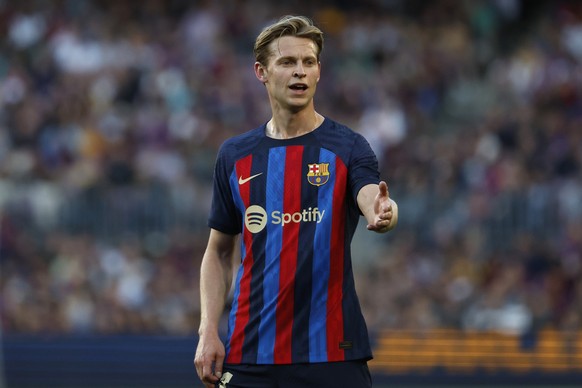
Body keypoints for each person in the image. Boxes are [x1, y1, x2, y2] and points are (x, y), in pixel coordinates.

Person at [194, 15, 398, 388]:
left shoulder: (348, 146)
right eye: (287, 62)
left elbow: (370, 194)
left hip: (333, 353)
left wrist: (383, 210)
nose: (299, 72)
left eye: (308, 62)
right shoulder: (235, 155)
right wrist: (208, 330)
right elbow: (219, 252)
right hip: (251, 353)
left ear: (319, 70)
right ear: (262, 71)